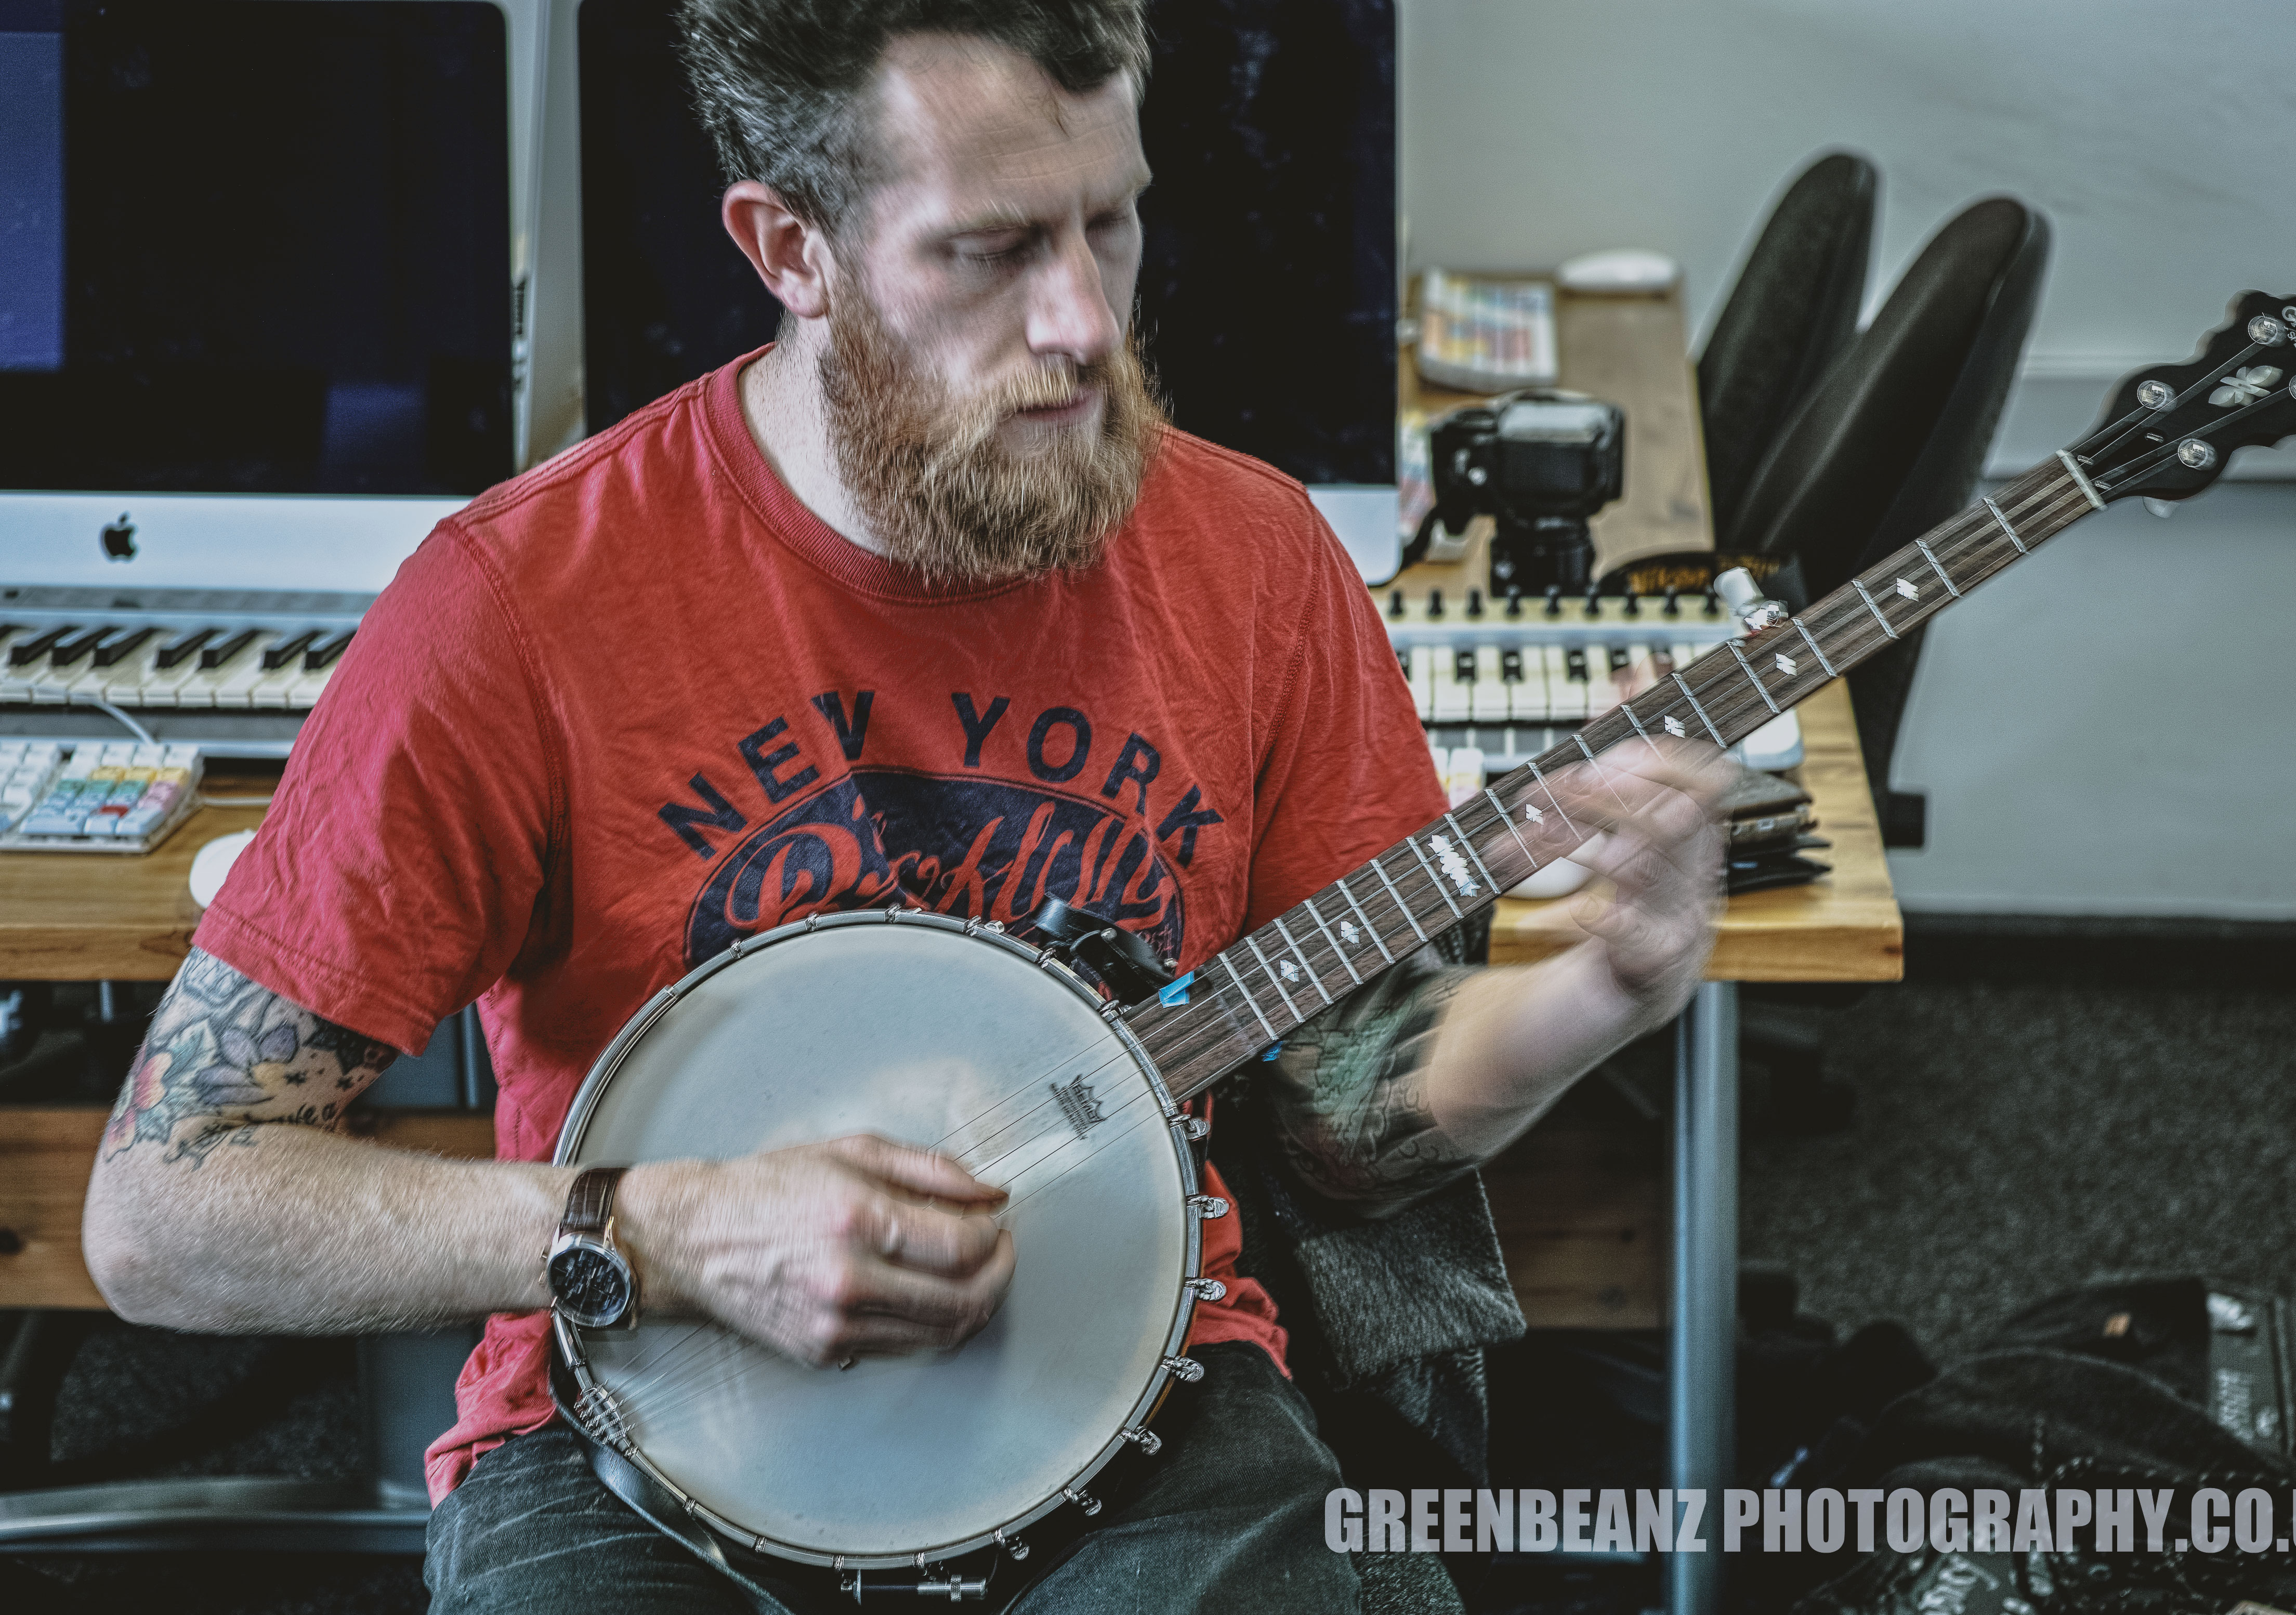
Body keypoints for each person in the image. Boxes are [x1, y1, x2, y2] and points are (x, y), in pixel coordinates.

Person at [81, 2, 1728, 1609]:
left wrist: (1595, 990)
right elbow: (166, 1211)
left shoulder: (1258, 562)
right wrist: (663, 1230)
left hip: (1143, 1405)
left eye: (1113, 222)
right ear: (786, 247)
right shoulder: (515, 603)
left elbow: (1342, 1129)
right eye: (990, 249)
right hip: (632, 1440)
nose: (1085, 320)